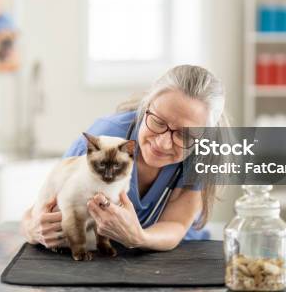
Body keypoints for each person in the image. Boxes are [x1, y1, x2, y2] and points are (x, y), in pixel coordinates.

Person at [20, 64, 228, 251]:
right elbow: (37, 211)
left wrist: (139, 237)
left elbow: (177, 224)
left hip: (180, 255)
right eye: (158, 121)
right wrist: (32, 229)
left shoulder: (202, 153)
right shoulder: (106, 140)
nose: (163, 143)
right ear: (146, 107)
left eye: (185, 134)